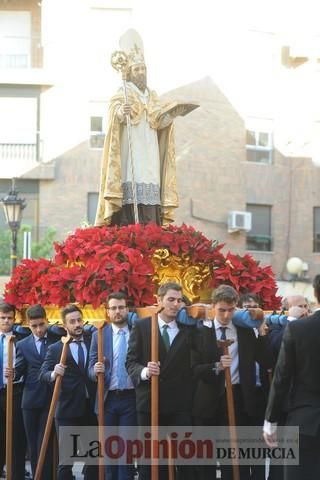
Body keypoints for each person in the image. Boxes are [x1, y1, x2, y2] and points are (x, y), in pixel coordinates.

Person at [95, 29, 184, 227]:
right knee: (131, 187)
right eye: (137, 69)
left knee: (151, 184)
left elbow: (159, 123)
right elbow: (114, 114)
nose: (141, 72)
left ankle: (151, 226)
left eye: (143, 68)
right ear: (129, 72)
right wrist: (120, 112)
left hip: (150, 154)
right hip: (131, 154)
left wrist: (170, 116)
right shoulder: (123, 92)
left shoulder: (153, 96)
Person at [192, 285, 271, 480]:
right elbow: (194, 368)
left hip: (237, 399)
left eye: (230, 310)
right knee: (207, 458)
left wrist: (261, 334)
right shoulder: (202, 332)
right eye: (221, 310)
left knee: (235, 456)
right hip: (209, 400)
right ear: (213, 307)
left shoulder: (244, 332)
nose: (226, 315)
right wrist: (217, 366)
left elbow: (266, 361)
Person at [126, 282, 197, 480]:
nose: (176, 304)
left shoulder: (189, 329)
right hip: (150, 403)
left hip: (179, 405)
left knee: (184, 459)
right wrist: (145, 371)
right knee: (151, 461)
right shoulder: (142, 326)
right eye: (171, 299)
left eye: (179, 300)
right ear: (159, 300)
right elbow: (130, 362)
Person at [263, 274, 320, 480]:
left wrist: (271, 420)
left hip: (303, 422)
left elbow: (282, 376)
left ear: (315, 294)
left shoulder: (298, 328)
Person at [39, 304, 97, 480]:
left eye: (79, 320)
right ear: (65, 326)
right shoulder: (56, 348)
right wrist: (54, 373)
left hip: (91, 408)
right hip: (67, 410)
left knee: (93, 459)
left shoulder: (93, 341)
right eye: (72, 322)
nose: (77, 324)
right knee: (66, 461)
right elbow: (43, 374)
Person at [88, 292, 137, 480]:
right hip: (107, 398)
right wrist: (96, 370)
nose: (118, 311)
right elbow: (90, 369)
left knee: (125, 450)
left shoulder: (137, 331)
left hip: (130, 398)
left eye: (121, 307)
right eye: (113, 308)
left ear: (127, 309)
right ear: (107, 312)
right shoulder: (99, 334)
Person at [14, 304, 62, 479]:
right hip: (30, 401)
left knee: (46, 443)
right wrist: (11, 373)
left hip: (51, 398)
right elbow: (19, 370)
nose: (39, 329)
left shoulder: (58, 338)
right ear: (28, 324)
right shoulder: (22, 344)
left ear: (47, 321)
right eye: (34, 326)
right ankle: (37, 476)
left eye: (41, 324)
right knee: (33, 445)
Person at [0, 302, 27, 480]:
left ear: (15, 319)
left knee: (17, 435)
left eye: (10, 318)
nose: (6, 321)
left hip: (16, 391)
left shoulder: (21, 339)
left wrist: (16, 373)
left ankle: (17, 474)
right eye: (2, 318)